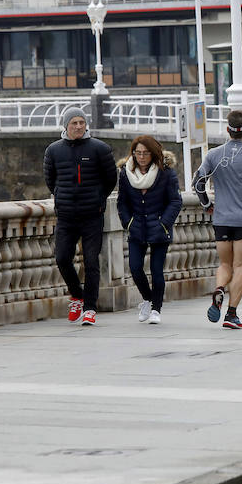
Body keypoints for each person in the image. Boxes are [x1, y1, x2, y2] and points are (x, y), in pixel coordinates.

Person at [194, 110, 242, 330]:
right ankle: (231, 313)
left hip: (221, 219)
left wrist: (206, 204)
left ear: (227, 130)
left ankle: (219, 288)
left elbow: (198, 181)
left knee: (224, 264)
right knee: (240, 266)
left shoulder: (213, 154)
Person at [43, 107, 117, 326]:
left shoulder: (99, 149)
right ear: (65, 125)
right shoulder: (53, 150)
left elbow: (111, 179)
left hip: (92, 215)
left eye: (81, 123)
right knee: (62, 258)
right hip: (66, 215)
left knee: (92, 261)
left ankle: (90, 308)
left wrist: (98, 198)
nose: (78, 127)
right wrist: (60, 196)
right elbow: (50, 179)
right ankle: (77, 296)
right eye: (73, 123)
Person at [116, 135, 183, 325]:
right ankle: (147, 298)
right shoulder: (125, 173)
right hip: (136, 229)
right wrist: (128, 223)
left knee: (156, 271)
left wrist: (164, 223)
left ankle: (156, 309)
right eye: (138, 153)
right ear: (133, 154)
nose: (142, 157)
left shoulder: (166, 173)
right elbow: (122, 203)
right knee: (135, 268)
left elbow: (175, 201)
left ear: (153, 154)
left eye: (146, 153)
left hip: (159, 229)